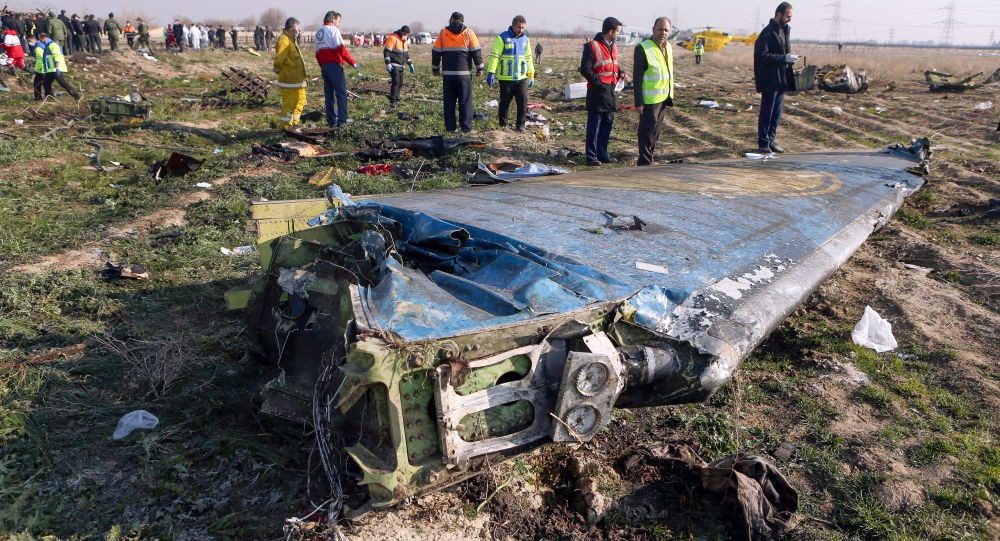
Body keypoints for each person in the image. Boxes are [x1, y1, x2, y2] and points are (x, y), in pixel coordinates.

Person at [579, 17, 630, 166]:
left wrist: (621, 72)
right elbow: (585, 70)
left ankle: (603, 154)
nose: (618, 34)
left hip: (611, 92)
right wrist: (599, 83)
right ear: (610, 31)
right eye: (618, 31)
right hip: (597, 93)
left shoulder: (613, 46)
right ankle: (591, 156)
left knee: (607, 125)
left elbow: (612, 64)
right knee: (594, 127)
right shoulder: (592, 46)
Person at [754, 2, 798, 154]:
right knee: (767, 112)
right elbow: (761, 56)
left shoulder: (785, 31)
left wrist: (789, 59)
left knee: (776, 113)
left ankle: (771, 140)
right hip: (770, 79)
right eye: (787, 16)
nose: (789, 19)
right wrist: (783, 58)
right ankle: (763, 143)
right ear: (779, 14)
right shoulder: (767, 33)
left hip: (781, 79)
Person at [432, 12, 484, 133]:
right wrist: (479, 68)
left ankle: (450, 129)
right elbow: (476, 52)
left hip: (448, 75)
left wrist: (435, 69)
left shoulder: (443, 33)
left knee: (449, 102)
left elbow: (436, 52)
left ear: (451, 20)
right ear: (462, 21)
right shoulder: (469, 33)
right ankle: (466, 128)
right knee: (465, 102)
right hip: (464, 75)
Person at [633, 17, 675, 166]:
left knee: (655, 133)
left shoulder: (668, 47)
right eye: (660, 29)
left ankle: (649, 159)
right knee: (646, 132)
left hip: (663, 97)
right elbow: (637, 77)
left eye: (666, 30)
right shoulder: (643, 48)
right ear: (653, 30)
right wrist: (639, 102)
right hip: (649, 100)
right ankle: (644, 163)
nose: (663, 32)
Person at [486, 15, 534, 131]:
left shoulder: (525, 40)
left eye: (523, 28)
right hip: (506, 78)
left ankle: (521, 125)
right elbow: (495, 56)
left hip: (521, 78)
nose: (521, 30)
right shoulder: (502, 38)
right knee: (505, 103)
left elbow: (529, 58)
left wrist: (531, 75)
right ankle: (503, 125)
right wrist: (491, 72)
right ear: (513, 25)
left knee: (522, 102)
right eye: (519, 27)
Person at [314, 11, 359, 127]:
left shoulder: (318, 32)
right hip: (334, 65)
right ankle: (342, 121)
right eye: (338, 21)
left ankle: (331, 121)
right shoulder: (333, 30)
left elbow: (317, 54)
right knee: (341, 93)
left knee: (328, 94)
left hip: (324, 66)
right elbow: (341, 49)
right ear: (333, 20)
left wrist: (323, 66)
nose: (339, 24)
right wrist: (352, 62)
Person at [274, 17, 306, 129]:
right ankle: (285, 127)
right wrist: (280, 72)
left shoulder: (291, 40)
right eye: (296, 30)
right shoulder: (284, 40)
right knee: (290, 104)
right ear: (292, 30)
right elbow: (279, 60)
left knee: (300, 101)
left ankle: (294, 124)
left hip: (297, 81)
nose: (298, 32)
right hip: (289, 81)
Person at [37, 33, 79, 99]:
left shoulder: (52, 45)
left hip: (55, 68)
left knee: (62, 82)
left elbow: (57, 56)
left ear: (44, 38)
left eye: (40, 39)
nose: (40, 41)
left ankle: (75, 95)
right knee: (46, 83)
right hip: (50, 69)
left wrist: (57, 67)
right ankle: (50, 97)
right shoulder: (47, 46)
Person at [383, 25, 414, 106]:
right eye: (406, 34)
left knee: (400, 83)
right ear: (402, 32)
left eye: (408, 34)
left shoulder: (404, 40)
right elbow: (386, 51)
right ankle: (392, 101)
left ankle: (397, 99)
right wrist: (388, 64)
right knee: (396, 82)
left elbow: (406, 53)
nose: (407, 36)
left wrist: (410, 64)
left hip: (401, 66)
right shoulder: (393, 38)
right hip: (394, 64)